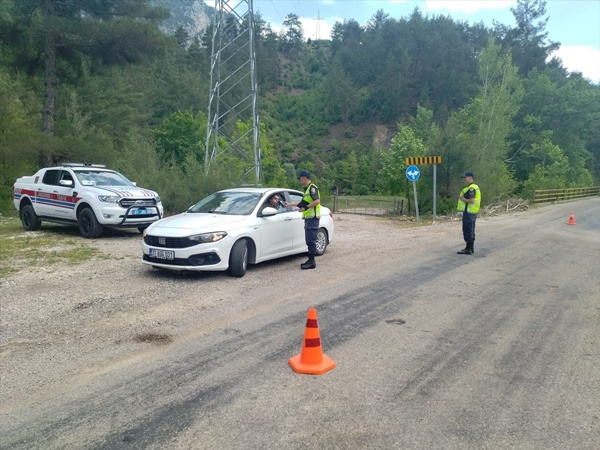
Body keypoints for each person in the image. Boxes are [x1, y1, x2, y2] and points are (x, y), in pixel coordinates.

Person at [284, 170, 321, 269]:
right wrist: (289, 204)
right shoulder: (307, 190)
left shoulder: (312, 188)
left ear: (304, 178)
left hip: (313, 218)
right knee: (309, 240)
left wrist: (306, 208)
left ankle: (312, 262)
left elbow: (317, 201)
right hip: (309, 219)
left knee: (311, 240)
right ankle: (310, 260)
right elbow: (301, 203)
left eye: (300, 179)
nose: (300, 181)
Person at [456, 171, 481, 254]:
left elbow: (471, 201)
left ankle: (468, 248)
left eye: (465, 177)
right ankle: (471, 248)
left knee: (467, 230)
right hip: (472, 212)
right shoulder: (474, 187)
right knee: (471, 230)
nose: (464, 179)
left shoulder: (471, 188)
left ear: (470, 178)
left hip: (469, 212)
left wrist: (462, 198)